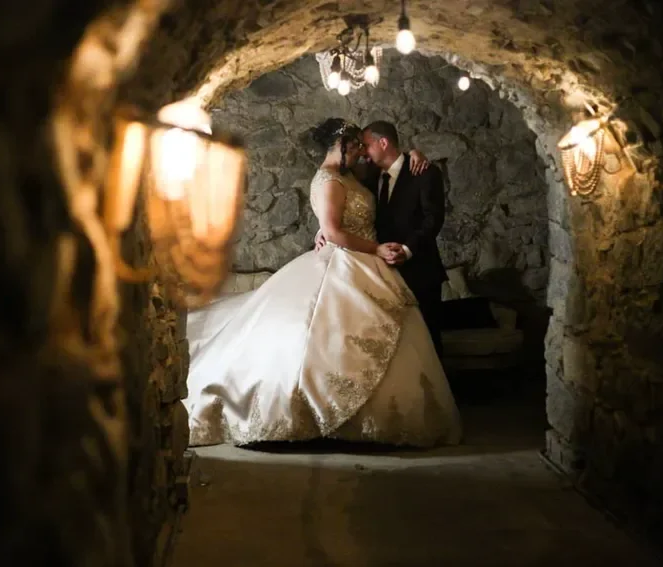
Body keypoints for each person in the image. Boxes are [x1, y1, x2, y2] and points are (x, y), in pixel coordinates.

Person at [183, 118, 462, 448]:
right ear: (340, 145)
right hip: (358, 259)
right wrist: (336, 234)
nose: (363, 153)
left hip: (398, 265)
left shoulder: (371, 175)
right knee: (326, 332)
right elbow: (333, 227)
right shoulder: (331, 178)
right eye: (357, 146)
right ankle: (318, 413)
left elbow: (422, 216)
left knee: (412, 335)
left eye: (365, 145)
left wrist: (415, 152)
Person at [317, 120, 448, 358]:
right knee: (395, 344)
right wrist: (323, 229)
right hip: (380, 271)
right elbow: (345, 208)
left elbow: (433, 220)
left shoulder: (424, 171)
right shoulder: (367, 175)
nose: (362, 152)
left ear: (383, 142)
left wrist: (407, 250)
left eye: (366, 145)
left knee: (428, 341)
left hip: (419, 269)